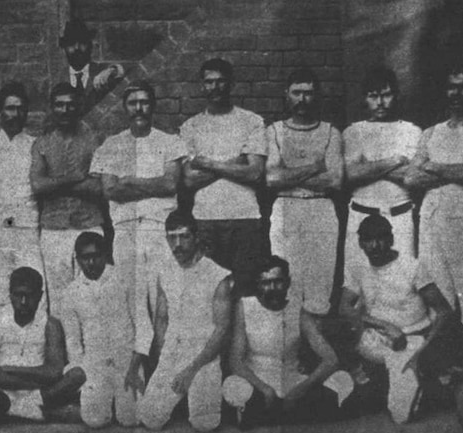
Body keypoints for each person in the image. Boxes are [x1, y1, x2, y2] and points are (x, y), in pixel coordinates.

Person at [90, 80, 187, 346]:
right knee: (131, 302)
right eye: (133, 103)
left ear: (152, 105)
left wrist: (131, 181)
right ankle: (137, 371)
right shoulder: (111, 145)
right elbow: (109, 189)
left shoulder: (169, 142)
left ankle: (162, 366)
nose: (139, 108)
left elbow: (170, 184)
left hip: (159, 228)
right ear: (125, 108)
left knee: (163, 300)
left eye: (144, 102)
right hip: (125, 230)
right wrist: (150, 184)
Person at [341, 214, 455, 424]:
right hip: (376, 337)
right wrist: (384, 325)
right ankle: (370, 378)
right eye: (368, 239)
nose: (375, 246)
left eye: (381, 238)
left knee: (401, 416)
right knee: (335, 328)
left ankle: (422, 375)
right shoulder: (358, 266)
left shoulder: (411, 266)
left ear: (391, 240)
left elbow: (444, 311)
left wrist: (424, 350)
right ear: (360, 242)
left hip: (411, 339)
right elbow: (344, 307)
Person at [406, 66, 463, 332]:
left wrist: (433, 166)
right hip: (432, 224)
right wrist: (454, 170)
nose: (457, 93)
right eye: (451, 87)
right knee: (438, 300)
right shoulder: (430, 133)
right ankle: (443, 366)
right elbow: (411, 178)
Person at [223, 255, 353, 429]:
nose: (272, 288)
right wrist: (264, 389)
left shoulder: (297, 310)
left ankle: (266, 415)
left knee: (343, 379)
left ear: (288, 283)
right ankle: (293, 414)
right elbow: (235, 361)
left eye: (278, 282)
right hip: (257, 383)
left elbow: (331, 359)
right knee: (232, 385)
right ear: (257, 285)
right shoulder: (245, 307)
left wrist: (301, 389)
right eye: (265, 283)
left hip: (293, 382)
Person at [137, 211, 233, 432]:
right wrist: (165, 360)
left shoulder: (217, 275)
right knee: (150, 419)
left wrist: (191, 370)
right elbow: (161, 319)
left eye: (184, 237)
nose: (177, 244)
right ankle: (178, 400)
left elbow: (222, 329)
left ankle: (203, 397)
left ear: (196, 237)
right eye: (172, 237)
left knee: (205, 424)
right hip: (173, 353)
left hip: (203, 358)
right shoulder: (164, 272)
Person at [179, 58, 268, 295]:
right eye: (209, 82)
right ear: (201, 86)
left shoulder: (252, 121)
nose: (215, 87)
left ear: (231, 84)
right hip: (205, 220)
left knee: (245, 290)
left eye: (221, 82)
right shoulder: (191, 126)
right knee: (210, 291)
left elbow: (255, 172)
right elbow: (188, 179)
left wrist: (207, 163)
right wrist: (235, 163)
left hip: (245, 217)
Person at [266, 68, 344, 326]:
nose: (302, 99)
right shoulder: (275, 131)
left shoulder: (331, 132)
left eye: (308, 93)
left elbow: (334, 180)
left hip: (321, 210)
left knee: (319, 285)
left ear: (317, 96)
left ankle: (314, 356)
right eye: (296, 93)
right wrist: (314, 168)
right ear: (286, 95)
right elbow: (272, 179)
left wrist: (290, 174)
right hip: (286, 209)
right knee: (287, 281)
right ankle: (291, 351)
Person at [0, 267, 85, 425]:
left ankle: (9, 412)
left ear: (40, 296)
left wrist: (11, 369)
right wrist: (31, 382)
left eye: (29, 296)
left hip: (40, 393)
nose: (23, 302)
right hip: (6, 391)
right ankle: (38, 412)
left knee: (77, 374)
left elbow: (54, 371)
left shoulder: (50, 324)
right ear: (10, 294)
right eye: (18, 295)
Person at [56, 232, 146, 428]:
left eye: (95, 256)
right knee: (95, 420)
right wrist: (85, 375)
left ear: (105, 255)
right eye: (85, 258)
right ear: (77, 259)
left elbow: (142, 327)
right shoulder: (70, 293)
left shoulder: (124, 280)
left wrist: (134, 367)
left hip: (127, 362)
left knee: (131, 419)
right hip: (95, 365)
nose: (90, 263)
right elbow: (73, 342)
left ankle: (124, 402)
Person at [30, 82, 106, 305]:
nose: (65, 110)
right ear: (52, 108)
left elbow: (99, 187)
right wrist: (75, 178)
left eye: (71, 105)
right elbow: (38, 186)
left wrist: (56, 183)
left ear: (78, 107)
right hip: (55, 230)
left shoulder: (94, 140)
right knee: (60, 299)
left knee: (94, 295)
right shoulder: (42, 143)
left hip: (89, 224)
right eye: (60, 105)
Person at [343, 67, 420, 271]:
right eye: (373, 96)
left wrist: (370, 166)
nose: (380, 102)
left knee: (401, 280)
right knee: (357, 283)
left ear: (396, 96)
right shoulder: (354, 131)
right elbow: (351, 174)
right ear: (365, 98)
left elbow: (411, 175)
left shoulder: (411, 131)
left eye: (386, 95)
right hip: (361, 215)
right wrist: (395, 160)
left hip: (400, 217)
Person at [0, 82, 46, 311]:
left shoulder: (35, 144)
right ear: (0, 111)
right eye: (9, 108)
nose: (15, 114)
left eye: (20, 108)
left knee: (34, 289)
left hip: (26, 229)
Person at [58, 18, 125, 114]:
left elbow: (125, 73)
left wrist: (112, 70)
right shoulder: (59, 78)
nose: (77, 48)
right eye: (71, 43)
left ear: (90, 45)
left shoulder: (100, 71)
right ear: (64, 48)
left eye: (82, 42)